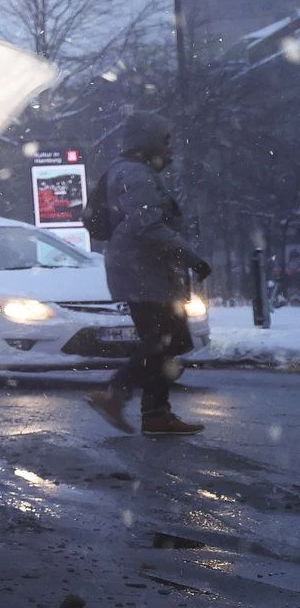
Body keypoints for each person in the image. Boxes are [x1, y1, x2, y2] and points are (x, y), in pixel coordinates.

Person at [87, 109, 210, 436]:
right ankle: (116, 395)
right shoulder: (136, 175)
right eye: (165, 141)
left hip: (142, 271)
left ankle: (154, 413)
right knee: (165, 340)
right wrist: (192, 257)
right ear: (149, 141)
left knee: (164, 341)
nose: (170, 149)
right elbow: (149, 226)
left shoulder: (128, 171)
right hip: (145, 273)